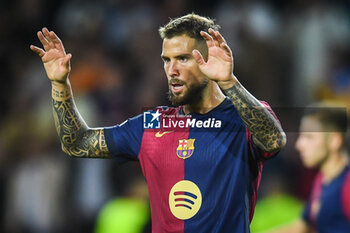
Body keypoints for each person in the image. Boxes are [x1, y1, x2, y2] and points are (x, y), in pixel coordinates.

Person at [30, 13, 286, 233]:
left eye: (183, 58)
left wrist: (229, 83)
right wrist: (60, 84)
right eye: (166, 60)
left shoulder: (242, 117)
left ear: (209, 60)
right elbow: (77, 143)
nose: (171, 70)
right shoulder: (151, 124)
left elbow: (274, 140)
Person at [271, 103, 350, 233]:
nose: (299, 145)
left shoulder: (347, 184)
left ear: (334, 140)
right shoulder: (322, 181)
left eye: (309, 137)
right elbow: (300, 227)